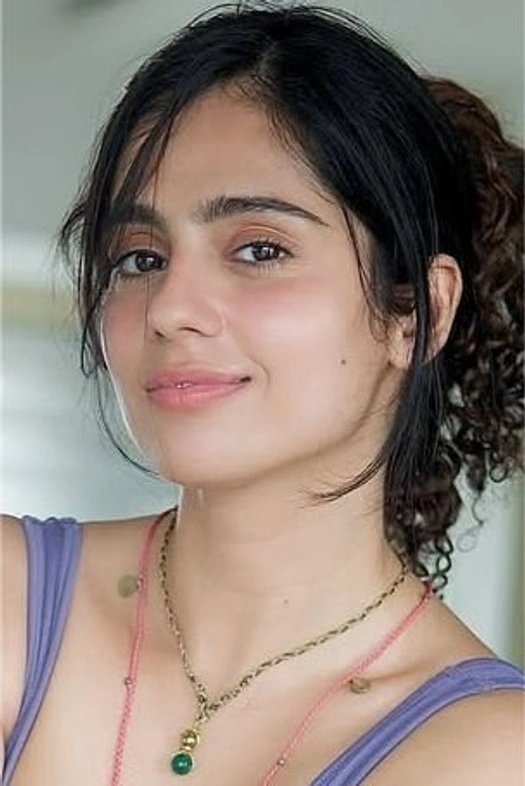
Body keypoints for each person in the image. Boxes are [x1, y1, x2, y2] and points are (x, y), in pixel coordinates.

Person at [2, 3, 524, 784]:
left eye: (258, 249)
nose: (170, 308)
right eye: (140, 258)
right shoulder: (12, 601)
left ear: (416, 314)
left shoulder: (488, 751)